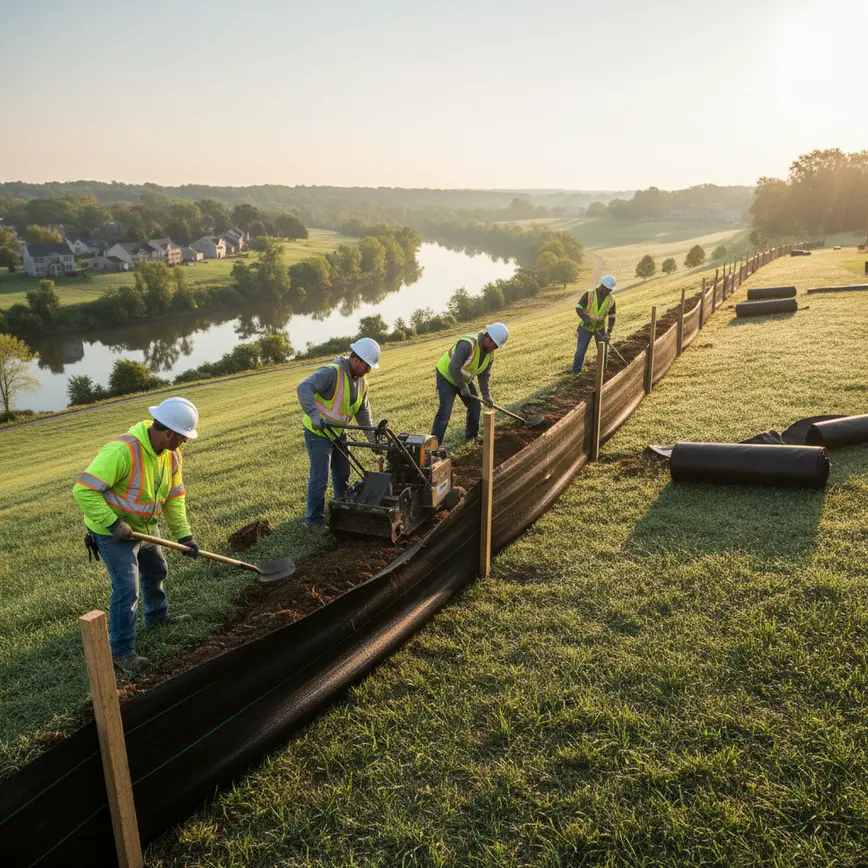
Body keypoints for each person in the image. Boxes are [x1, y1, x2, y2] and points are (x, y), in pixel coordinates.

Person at [73, 397, 200, 673]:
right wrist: (113, 523)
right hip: (112, 532)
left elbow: (174, 498)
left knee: (156, 571)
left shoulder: (171, 456)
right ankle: (121, 651)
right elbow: (83, 490)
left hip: (144, 527)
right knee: (127, 589)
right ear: (169, 433)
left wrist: (184, 536)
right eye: (183, 436)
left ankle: (157, 617)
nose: (185, 441)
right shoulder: (122, 451)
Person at [297, 337, 380, 533]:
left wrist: (372, 440)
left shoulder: (361, 382)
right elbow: (303, 387)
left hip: (338, 432)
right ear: (356, 360)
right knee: (320, 478)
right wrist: (314, 415)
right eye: (367, 366)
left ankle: (341, 506)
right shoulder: (331, 372)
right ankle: (314, 521)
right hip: (318, 433)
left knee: (343, 472)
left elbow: (362, 412)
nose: (369, 370)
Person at [431, 322, 509, 446]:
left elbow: (484, 376)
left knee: (475, 405)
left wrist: (486, 395)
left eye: (497, 347)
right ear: (488, 338)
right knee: (445, 411)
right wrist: (462, 386)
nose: (494, 349)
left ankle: (471, 438)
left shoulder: (489, 355)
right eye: (494, 345)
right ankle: (433, 447)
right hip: (446, 376)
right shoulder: (467, 345)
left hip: (463, 379)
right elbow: (453, 368)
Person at [572, 274, 617, 374]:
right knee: (580, 350)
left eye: (610, 290)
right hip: (585, 327)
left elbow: (612, 317)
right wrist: (585, 318)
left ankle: (603, 370)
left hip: (600, 328)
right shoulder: (589, 294)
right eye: (608, 290)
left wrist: (608, 332)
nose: (609, 292)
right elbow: (578, 307)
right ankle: (575, 372)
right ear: (602, 287)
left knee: (603, 350)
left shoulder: (611, 300)